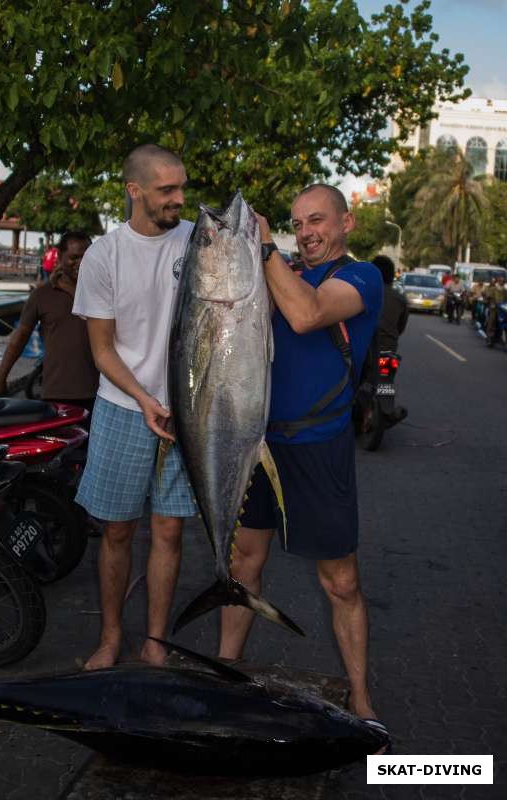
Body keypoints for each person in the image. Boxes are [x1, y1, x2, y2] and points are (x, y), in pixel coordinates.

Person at [219, 184, 388, 748]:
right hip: (259, 444)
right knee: (243, 564)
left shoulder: (361, 278)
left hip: (319, 446)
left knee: (340, 581)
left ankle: (362, 700)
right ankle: (224, 673)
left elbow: (306, 314)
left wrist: (265, 250)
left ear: (346, 223)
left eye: (317, 220)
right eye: (297, 223)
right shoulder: (281, 267)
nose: (307, 231)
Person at [72, 144, 196, 671]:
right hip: (123, 407)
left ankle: (156, 641)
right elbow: (102, 350)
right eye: (167, 189)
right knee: (118, 530)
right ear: (135, 190)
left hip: (186, 411)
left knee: (169, 531)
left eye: (182, 188)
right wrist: (144, 398)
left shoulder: (198, 240)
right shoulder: (104, 255)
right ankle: (109, 638)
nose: (179, 199)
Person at [0, 231, 98, 413]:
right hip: (56, 392)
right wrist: (0, 377)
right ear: (60, 256)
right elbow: (19, 338)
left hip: (97, 393)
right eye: (74, 257)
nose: (80, 263)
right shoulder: (42, 295)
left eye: (86, 257)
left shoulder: (101, 293)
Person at [371, 255, 408, 352]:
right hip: (389, 348)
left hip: (365, 349)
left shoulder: (362, 292)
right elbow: (400, 327)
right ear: (391, 274)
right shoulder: (400, 298)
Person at [485, 273, 507, 345]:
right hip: (494, 308)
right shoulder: (493, 289)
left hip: (502, 310)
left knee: (502, 323)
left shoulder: (504, 290)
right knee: (491, 323)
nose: (501, 282)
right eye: (500, 281)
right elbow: (488, 296)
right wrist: (492, 303)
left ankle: (499, 337)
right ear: (498, 281)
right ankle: (489, 338)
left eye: (503, 281)